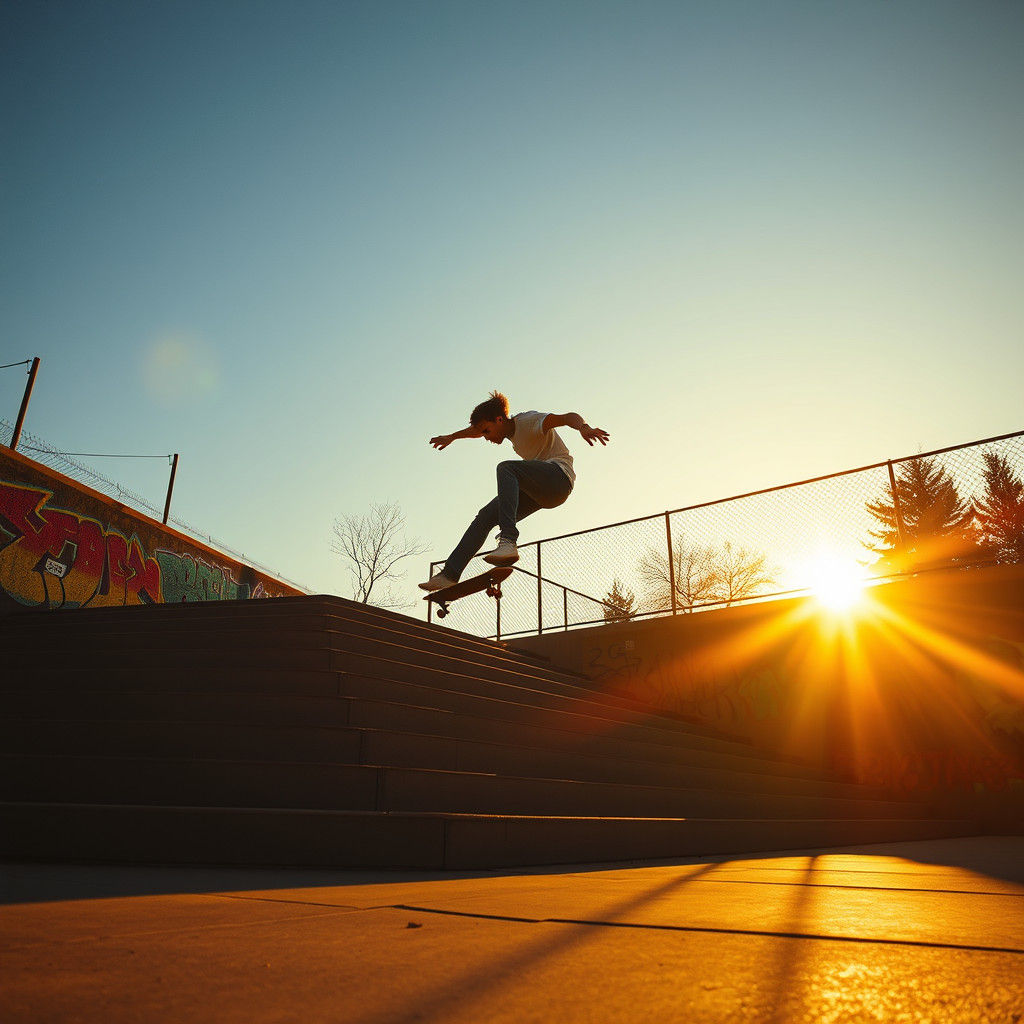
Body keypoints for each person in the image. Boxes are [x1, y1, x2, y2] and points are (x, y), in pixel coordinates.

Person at [419, 391, 610, 592]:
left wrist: (584, 427)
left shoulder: (530, 421)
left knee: (506, 468)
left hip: (559, 478)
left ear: (499, 419)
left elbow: (567, 417)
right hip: (539, 491)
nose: (486, 438)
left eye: (487, 431)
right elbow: (474, 431)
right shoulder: (504, 430)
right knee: (485, 516)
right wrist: (452, 437)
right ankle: (449, 575)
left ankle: (508, 540)